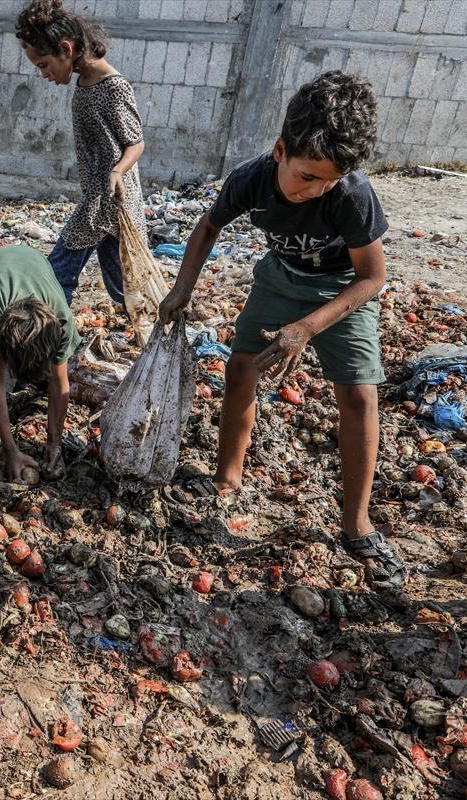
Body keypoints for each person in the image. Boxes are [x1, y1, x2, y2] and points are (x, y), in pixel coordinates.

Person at [158, 70, 404, 587]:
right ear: (279, 151)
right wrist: (183, 286)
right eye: (308, 176)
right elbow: (208, 226)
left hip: (341, 294)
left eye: (330, 179)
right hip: (279, 279)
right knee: (240, 369)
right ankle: (226, 477)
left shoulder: (351, 197)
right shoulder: (250, 179)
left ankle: (356, 523)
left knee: (360, 397)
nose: (316, 188)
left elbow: (372, 278)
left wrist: (307, 328)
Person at [15, 0, 145, 306]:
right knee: (125, 289)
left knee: (58, 275)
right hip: (101, 202)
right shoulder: (86, 81)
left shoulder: (113, 87)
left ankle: (49, 334)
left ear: (66, 49)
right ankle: (160, 325)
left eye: (44, 64)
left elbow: (136, 143)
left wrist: (116, 172)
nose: (43, 74)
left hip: (110, 201)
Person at [0, 245, 79, 483]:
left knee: (35, 376)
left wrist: (54, 444)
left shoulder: (62, 322)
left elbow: (60, 384)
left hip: (37, 261)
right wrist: (11, 451)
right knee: (1, 375)